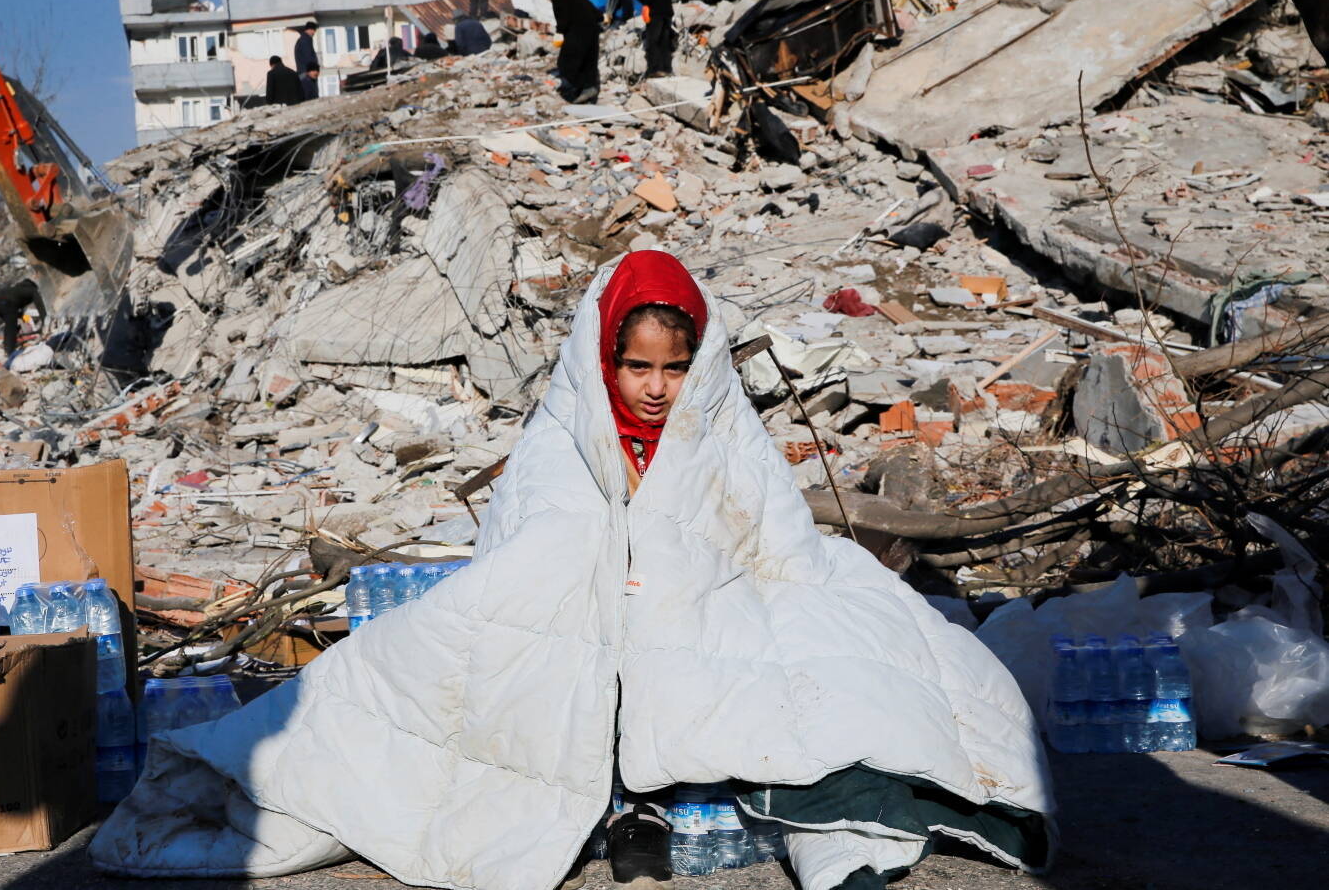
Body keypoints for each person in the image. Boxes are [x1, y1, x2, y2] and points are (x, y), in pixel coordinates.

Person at [92, 249, 1055, 890]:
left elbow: (765, 532)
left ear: (699, 367)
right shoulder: (568, 427)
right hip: (594, 612)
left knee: (855, 661)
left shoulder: (718, 424)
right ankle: (627, 799)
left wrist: (705, 568)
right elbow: (534, 535)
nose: (655, 387)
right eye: (637, 367)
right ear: (605, 361)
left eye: (673, 369)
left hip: (696, 611)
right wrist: (602, 563)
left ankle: (784, 822)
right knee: (450, 673)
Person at [539, 0, 601, 104]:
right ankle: (589, 91)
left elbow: (562, 14)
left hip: (578, 29)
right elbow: (587, 4)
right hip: (592, 27)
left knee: (566, 63)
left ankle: (584, 88)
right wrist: (600, 17)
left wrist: (560, 32)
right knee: (588, 61)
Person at [0, 278, 45, 356]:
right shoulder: (31, 290)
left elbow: (19, 312)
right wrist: (45, 319)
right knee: (11, 325)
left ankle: (8, 345)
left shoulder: (17, 290)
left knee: (10, 324)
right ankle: (10, 352)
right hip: (6, 302)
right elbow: (40, 305)